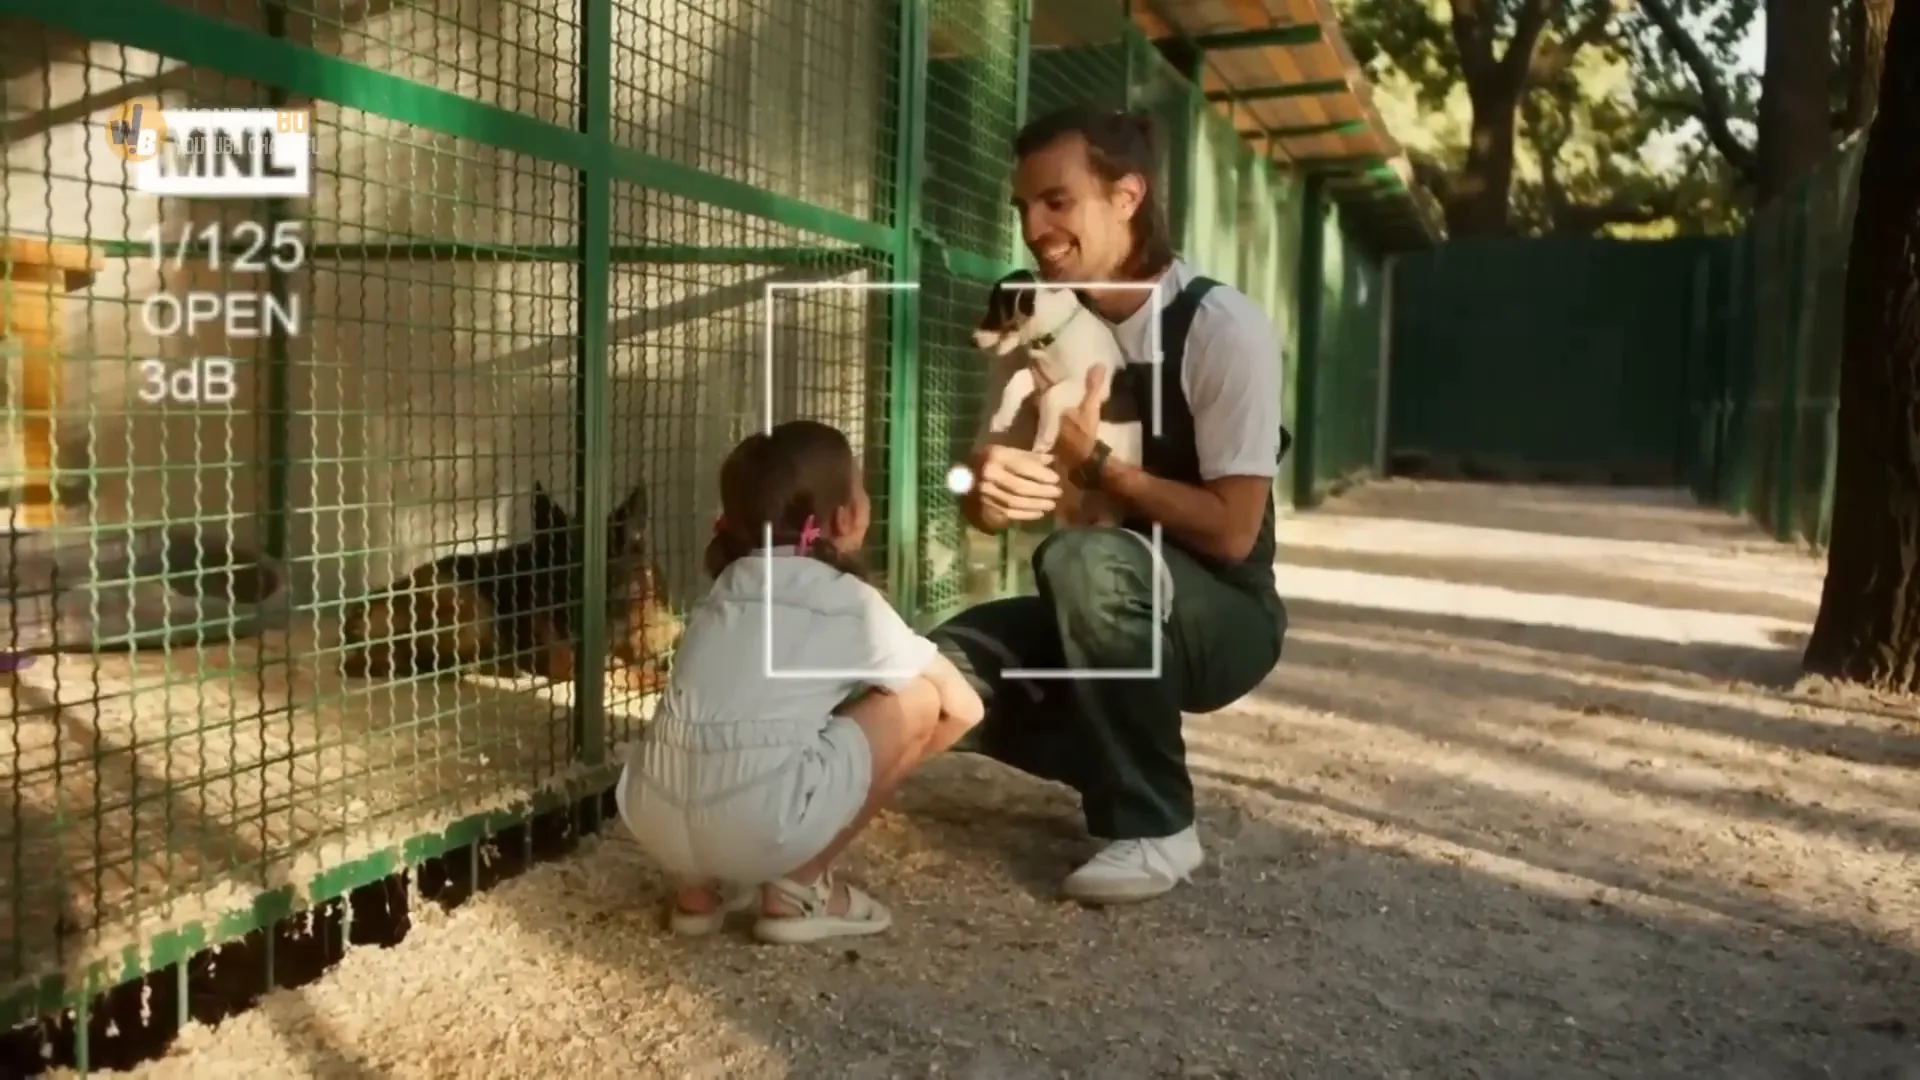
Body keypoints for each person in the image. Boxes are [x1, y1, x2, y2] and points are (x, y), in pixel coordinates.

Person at [928, 104, 1290, 905]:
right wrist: (984, 488)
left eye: (1057, 202)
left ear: (1128, 196)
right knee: (932, 670)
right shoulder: (1036, 319)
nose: (1034, 228)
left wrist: (1099, 469)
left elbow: (1233, 533)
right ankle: (802, 788)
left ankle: (1157, 826)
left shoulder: (1221, 328)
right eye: (1022, 208)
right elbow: (989, 504)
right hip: (1093, 604)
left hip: (1220, 614)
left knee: (1082, 558)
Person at [616, 420, 985, 944]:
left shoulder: (723, 588)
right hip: (756, 824)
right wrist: (874, 775)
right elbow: (965, 708)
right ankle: (799, 888)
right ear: (848, 515)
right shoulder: (850, 602)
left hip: (653, 819)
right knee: (920, 700)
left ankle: (700, 892)